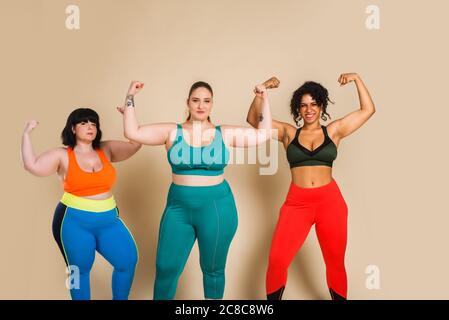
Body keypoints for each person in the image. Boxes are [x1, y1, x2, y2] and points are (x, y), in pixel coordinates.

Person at [120, 79, 273, 299]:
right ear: (188, 103)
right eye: (196, 100)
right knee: (166, 268)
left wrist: (264, 98)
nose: (201, 105)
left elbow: (263, 134)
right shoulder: (172, 131)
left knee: (213, 271)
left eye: (206, 101)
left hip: (217, 209)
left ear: (212, 104)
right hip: (178, 209)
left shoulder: (224, 133)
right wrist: (130, 97)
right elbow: (132, 132)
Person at [247, 73, 376, 300]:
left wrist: (357, 78)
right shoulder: (288, 133)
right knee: (277, 259)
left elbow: (368, 110)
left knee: (335, 262)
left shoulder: (334, 131)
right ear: (298, 109)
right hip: (297, 203)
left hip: (330, 202)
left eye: (314, 104)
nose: (309, 109)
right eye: (303, 105)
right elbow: (254, 121)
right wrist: (262, 91)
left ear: (321, 106)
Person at [21, 108, 141, 300]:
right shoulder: (62, 155)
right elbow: (31, 165)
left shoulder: (106, 149)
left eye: (93, 123)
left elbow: (136, 143)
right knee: (77, 271)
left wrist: (128, 116)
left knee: (127, 260)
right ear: (73, 128)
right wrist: (26, 134)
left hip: (108, 220)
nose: (90, 127)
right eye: (84, 123)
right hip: (73, 221)